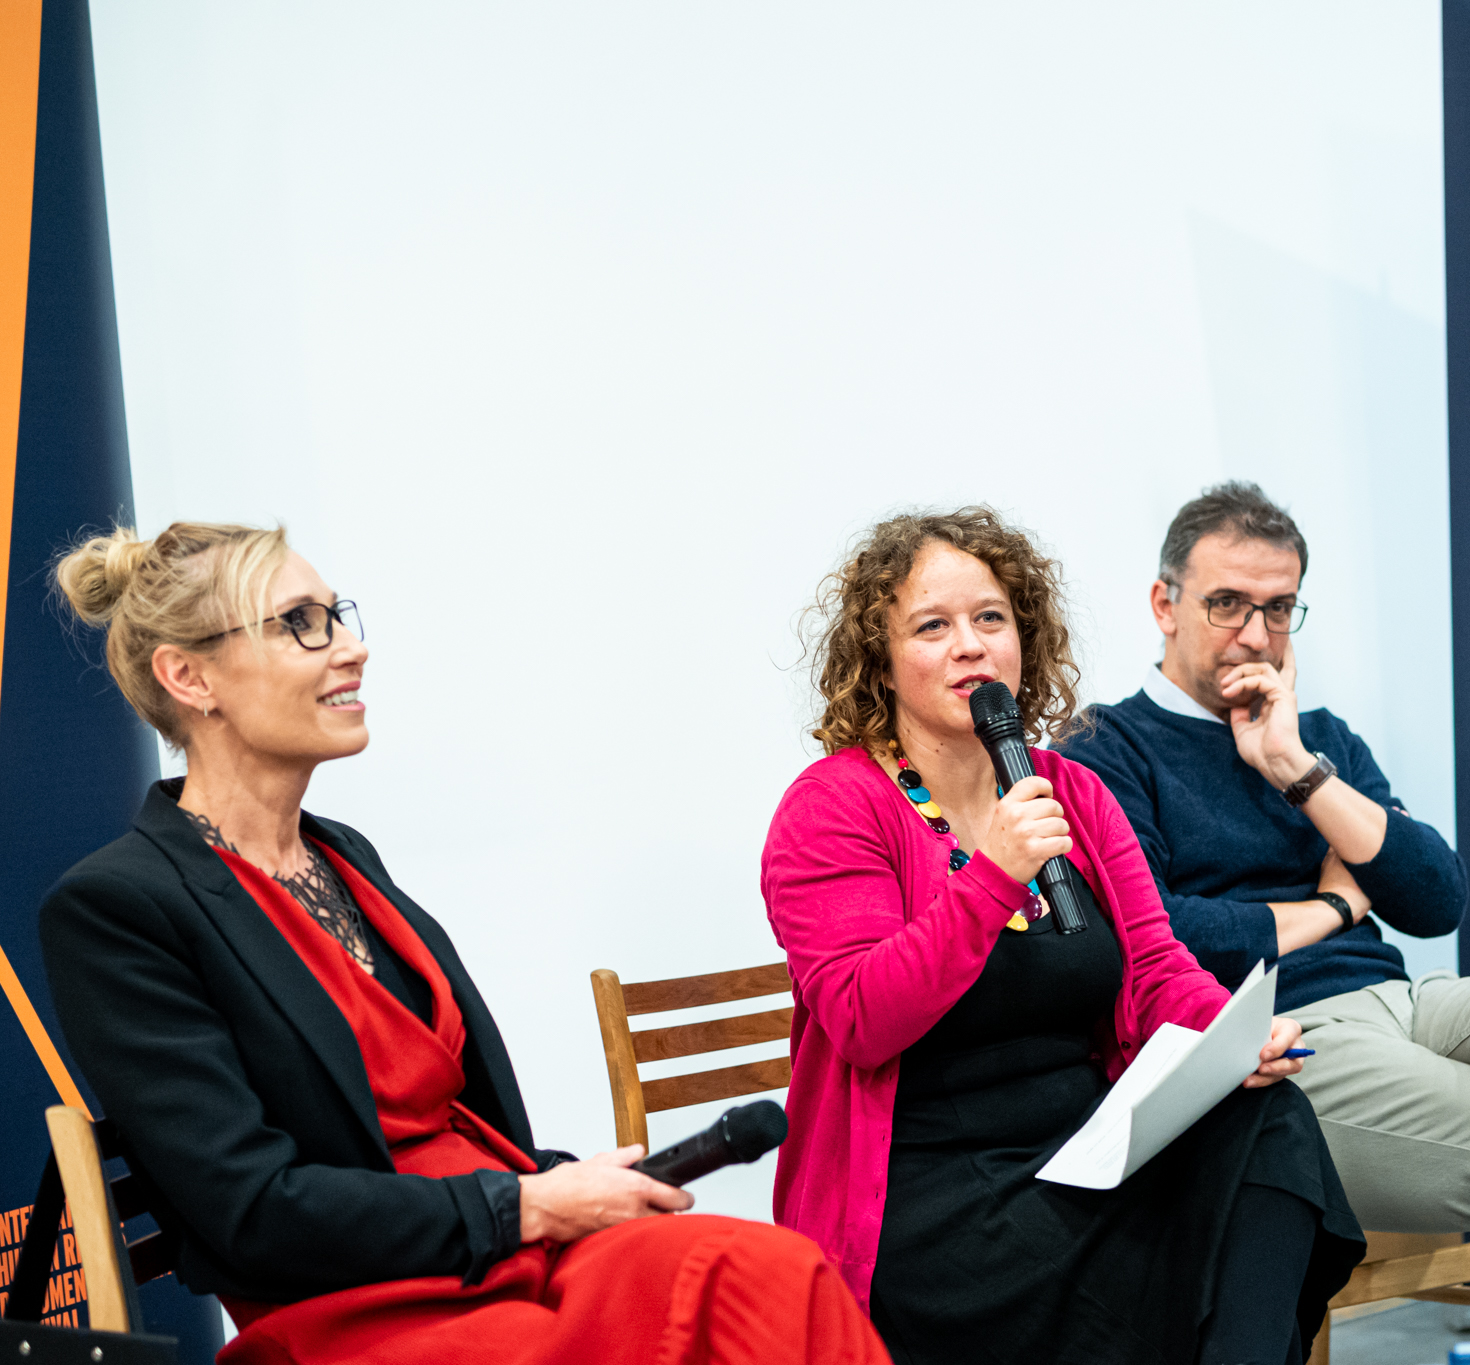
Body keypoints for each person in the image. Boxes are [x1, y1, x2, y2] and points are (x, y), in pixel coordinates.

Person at [37, 522, 888, 1365]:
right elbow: (252, 1211)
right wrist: (529, 1205)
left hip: (505, 1245)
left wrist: (568, 1186)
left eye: (337, 615)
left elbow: (457, 1123)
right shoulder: (118, 907)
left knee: (775, 1272)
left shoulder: (344, 856)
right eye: (301, 623)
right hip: (362, 1304)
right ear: (188, 677)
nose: (351, 648)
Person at [1059, 482, 1470, 1365]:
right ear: (1165, 605)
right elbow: (1154, 933)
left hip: (1406, 1003)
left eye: (1278, 608)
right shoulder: (1103, 749)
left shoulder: (1317, 735)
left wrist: (1293, 765)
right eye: (1227, 604)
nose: (1256, 634)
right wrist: (1329, 906)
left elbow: (1436, 896)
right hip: (1281, 1036)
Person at [760, 507, 1364, 1365]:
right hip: (932, 1196)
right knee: (1130, 1279)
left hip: (1086, 1153)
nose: (971, 646)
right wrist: (992, 876)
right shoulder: (832, 807)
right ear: (880, 661)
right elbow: (863, 1016)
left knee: (1271, 1123)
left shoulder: (1070, 790)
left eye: (990, 618)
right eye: (932, 627)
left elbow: (1155, 966)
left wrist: (1230, 1038)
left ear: (1024, 639)